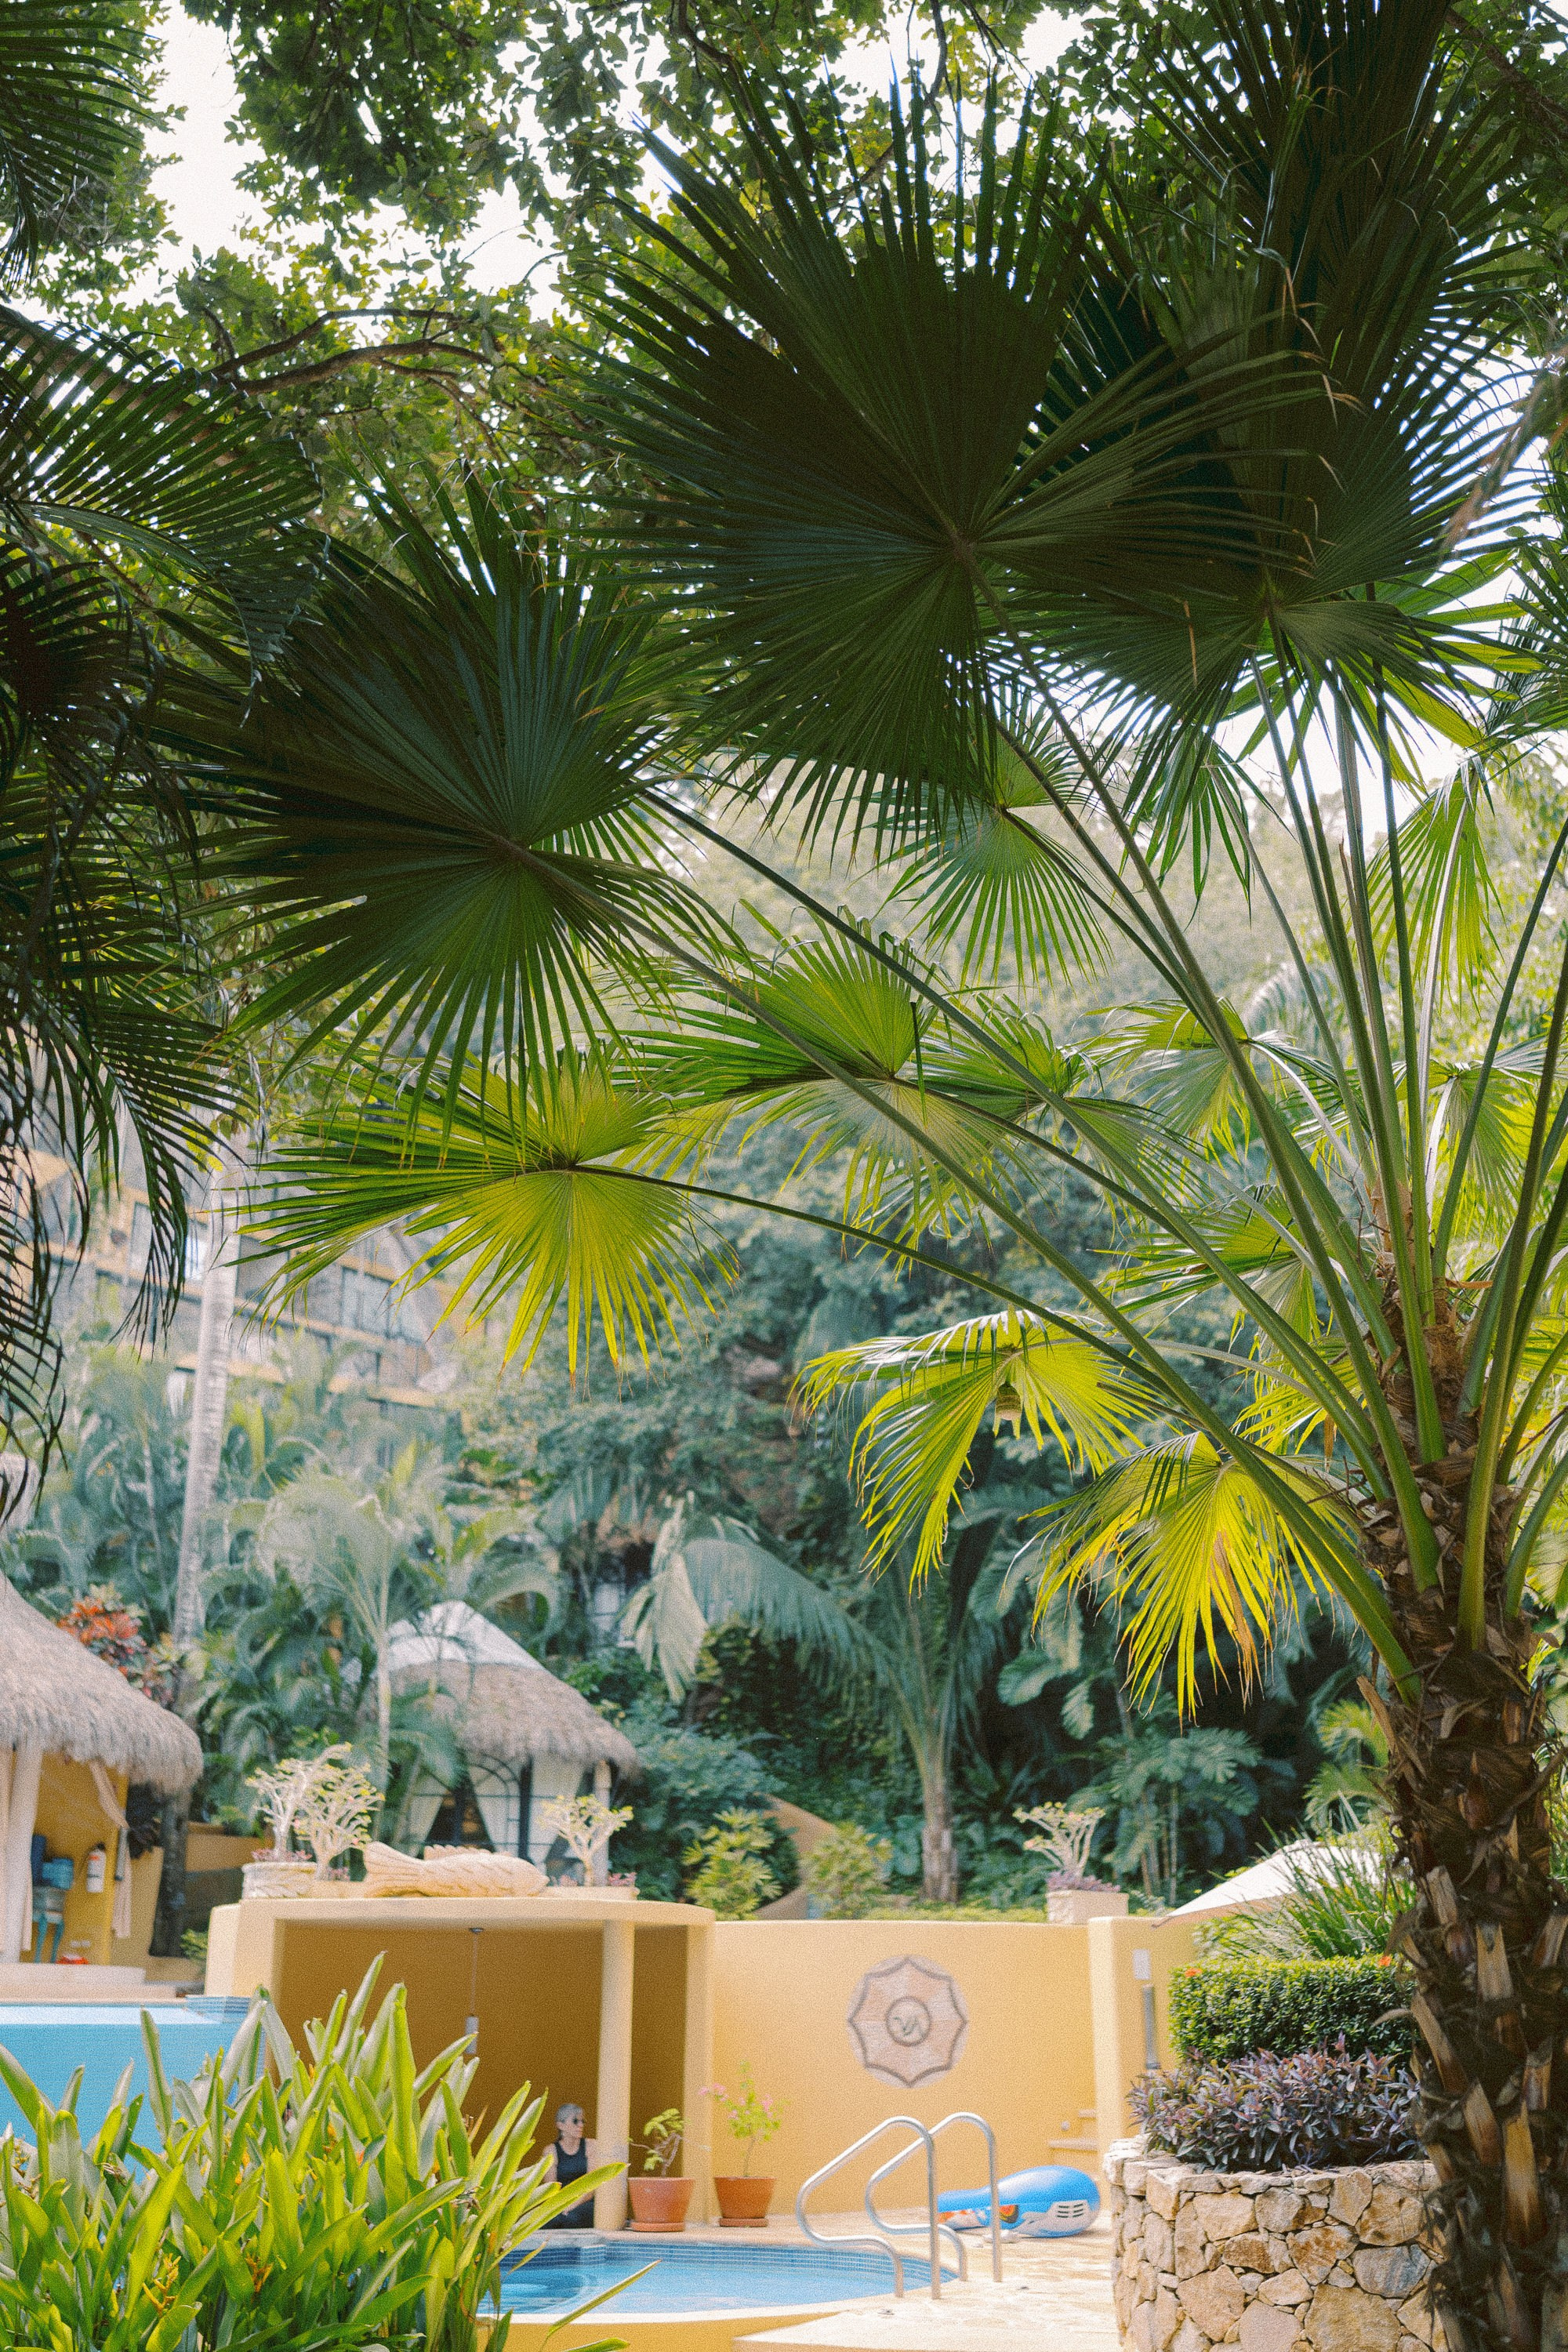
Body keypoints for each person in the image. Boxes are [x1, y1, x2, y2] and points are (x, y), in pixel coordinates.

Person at [542, 2101, 598, 2227]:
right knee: (549, 2222)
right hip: (560, 2202)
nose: (580, 2125)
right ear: (560, 2125)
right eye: (575, 2121)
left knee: (573, 2218)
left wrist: (572, 2205)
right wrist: (562, 2207)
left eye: (582, 2121)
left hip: (585, 2201)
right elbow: (550, 2189)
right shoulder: (551, 2151)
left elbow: (591, 2186)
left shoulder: (591, 2145)